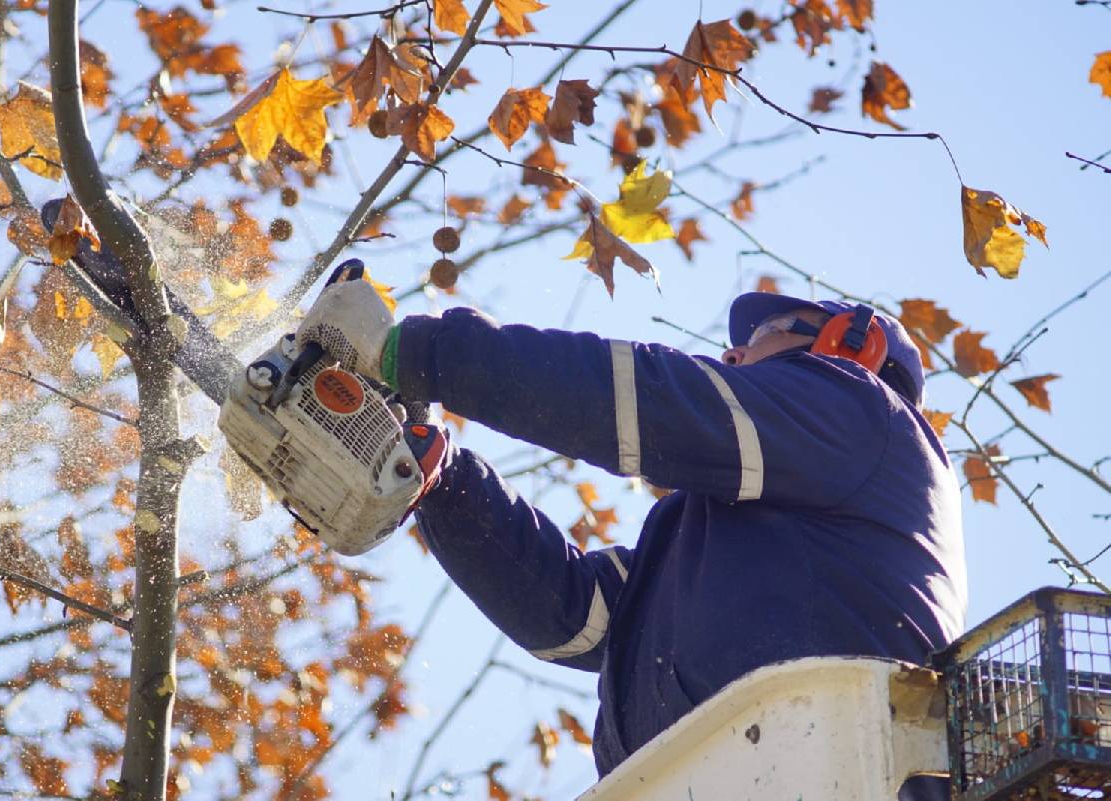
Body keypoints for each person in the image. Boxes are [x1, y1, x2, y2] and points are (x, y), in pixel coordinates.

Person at [298, 279, 968, 793]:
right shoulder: (716, 540)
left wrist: (419, 354)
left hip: (828, 768)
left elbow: (652, 401)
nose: (733, 352)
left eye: (768, 332)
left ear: (849, 345)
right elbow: (575, 614)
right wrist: (436, 479)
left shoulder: (860, 413)